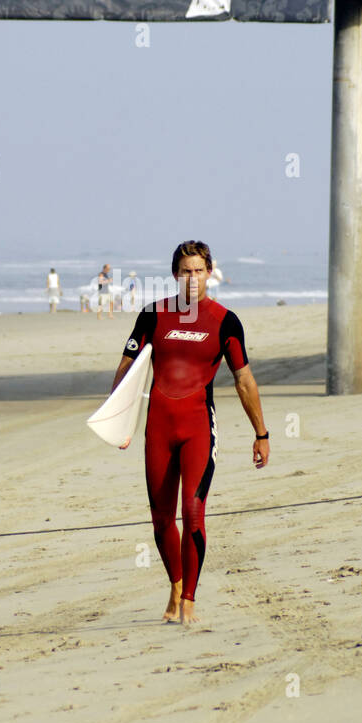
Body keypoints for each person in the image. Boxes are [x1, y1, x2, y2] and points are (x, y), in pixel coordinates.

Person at [110, 240, 269, 626]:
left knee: (193, 513)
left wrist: (261, 433)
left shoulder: (225, 321)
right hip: (158, 428)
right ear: (174, 274)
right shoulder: (153, 315)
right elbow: (127, 371)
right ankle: (176, 586)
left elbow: (243, 379)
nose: (192, 278)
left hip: (198, 426)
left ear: (210, 272)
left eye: (199, 270)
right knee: (161, 520)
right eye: (185, 271)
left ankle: (190, 602)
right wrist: (118, 420)